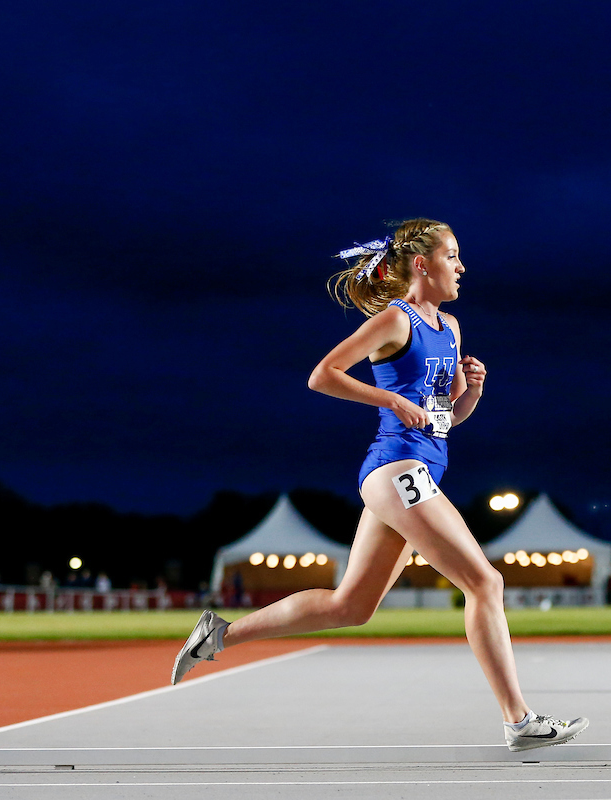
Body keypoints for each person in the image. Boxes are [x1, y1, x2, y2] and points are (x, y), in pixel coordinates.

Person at [170, 218, 587, 752]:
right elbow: (323, 374)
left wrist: (473, 394)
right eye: (452, 256)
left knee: (352, 607)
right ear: (422, 264)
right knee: (486, 583)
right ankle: (518, 719)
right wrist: (390, 399)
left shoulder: (452, 328)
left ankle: (220, 635)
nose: (462, 267)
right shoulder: (395, 319)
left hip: (419, 469)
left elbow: (445, 419)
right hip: (396, 470)